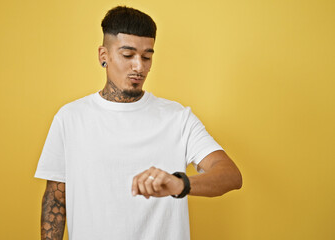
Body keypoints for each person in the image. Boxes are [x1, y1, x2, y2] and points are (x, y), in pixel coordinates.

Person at [34, 5, 242, 240]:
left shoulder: (177, 118)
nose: (139, 67)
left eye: (146, 57)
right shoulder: (70, 118)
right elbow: (56, 200)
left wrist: (180, 184)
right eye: (128, 55)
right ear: (104, 56)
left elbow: (230, 176)